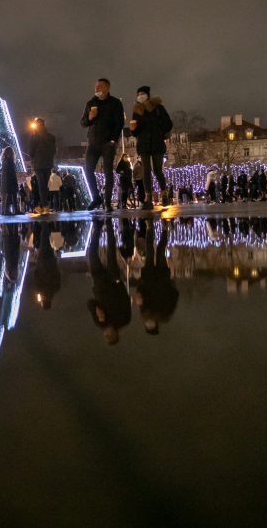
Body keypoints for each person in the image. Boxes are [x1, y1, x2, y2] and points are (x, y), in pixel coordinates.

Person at [81, 78, 124, 210]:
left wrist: (113, 140)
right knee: (88, 170)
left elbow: (119, 122)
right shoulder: (91, 103)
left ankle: (107, 201)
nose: (97, 89)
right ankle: (96, 198)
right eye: (96, 86)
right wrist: (90, 117)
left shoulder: (115, 103)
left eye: (100, 86)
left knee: (108, 173)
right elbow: (83, 123)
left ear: (107, 88)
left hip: (107, 143)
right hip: (93, 143)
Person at [87, 219, 130, 345]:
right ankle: (109, 226)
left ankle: (97, 228)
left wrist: (96, 309)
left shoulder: (100, 323)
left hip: (99, 283)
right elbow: (125, 300)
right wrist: (119, 283)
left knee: (92, 255)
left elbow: (90, 303)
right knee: (111, 252)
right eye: (110, 335)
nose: (107, 332)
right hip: (112, 281)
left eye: (106, 335)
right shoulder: (123, 320)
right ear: (116, 334)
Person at [129, 86, 172, 209]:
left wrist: (158, 130)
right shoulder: (137, 111)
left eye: (142, 93)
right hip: (144, 144)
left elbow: (168, 123)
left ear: (148, 95)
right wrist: (133, 130)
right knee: (146, 171)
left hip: (157, 142)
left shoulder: (158, 107)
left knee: (157, 170)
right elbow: (135, 132)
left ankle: (164, 194)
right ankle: (148, 198)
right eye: (138, 94)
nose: (140, 96)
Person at [135, 219, 179, 335]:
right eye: (150, 325)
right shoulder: (161, 313)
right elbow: (174, 295)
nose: (148, 322)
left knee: (154, 251)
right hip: (155, 277)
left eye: (147, 325)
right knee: (155, 251)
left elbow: (175, 295)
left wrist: (170, 284)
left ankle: (156, 229)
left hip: (156, 277)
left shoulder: (149, 312)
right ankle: (157, 229)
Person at [28, 117, 56, 214]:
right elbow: (54, 151)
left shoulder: (34, 137)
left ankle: (44, 206)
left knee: (41, 185)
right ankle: (45, 205)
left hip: (38, 164)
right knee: (45, 185)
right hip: (48, 164)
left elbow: (31, 152)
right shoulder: (51, 137)